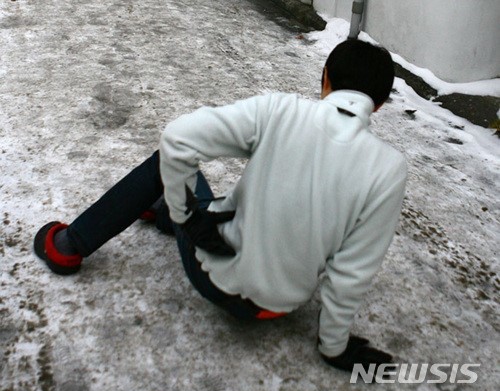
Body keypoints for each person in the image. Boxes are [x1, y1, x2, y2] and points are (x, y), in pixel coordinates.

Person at [34, 39, 407, 374]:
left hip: (214, 276)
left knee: (164, 162)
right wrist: (334, 348)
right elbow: (351, 273)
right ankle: (165, 208)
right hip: (276, 306)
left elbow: (177, 139)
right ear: (381, 103)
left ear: (324, 78)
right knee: (179, 184)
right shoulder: (388, 170)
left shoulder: (281, 112)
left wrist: (188, 217)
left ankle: (68, 244)